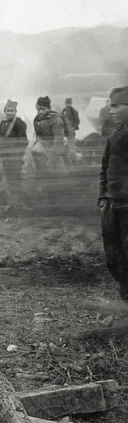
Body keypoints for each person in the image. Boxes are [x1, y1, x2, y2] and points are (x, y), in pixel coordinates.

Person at [98, 86, 128, 301]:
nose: (111, 110)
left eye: (116, 105)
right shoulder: (115, 135)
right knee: (113, 254)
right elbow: (105, 167)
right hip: (112, 203)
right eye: (111, 105)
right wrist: (102, 194)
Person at [0, 100, 28, 201]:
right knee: (9, 178)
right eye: (8, 110)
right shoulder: (3, 122)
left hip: (15, 157)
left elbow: (24, 141)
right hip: (5, 156)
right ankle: (13, 201)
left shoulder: (19, 123)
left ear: (15, 111)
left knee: (16, 179)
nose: (10, 113)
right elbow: (0, 137)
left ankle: (19, 201)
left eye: (12, 111)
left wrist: (15, 151)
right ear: (4, 111)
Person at [32, 96, 66, 183]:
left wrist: (52, 159)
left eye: (43, 109)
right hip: (41, 152)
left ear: (48, 108)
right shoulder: (37, 119)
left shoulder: (55, 120)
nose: (40, 111)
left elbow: (58, 140)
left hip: (55, 152)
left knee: (57, 177)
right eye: (38, 109)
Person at [61, 97, 80, 163]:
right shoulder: (63, 111)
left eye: (69, 103)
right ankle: (67, 159)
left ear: (71, 104)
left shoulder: (74, 112)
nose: (68, 105)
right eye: (67, 103)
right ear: (65, 104)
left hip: (71, 131)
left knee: (72, 145)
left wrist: (73, 127)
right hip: (64, 131)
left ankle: (73, 159)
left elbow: (77, 121)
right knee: (65, 145)